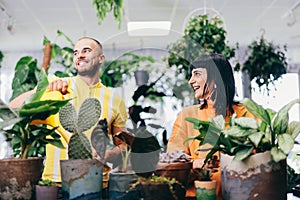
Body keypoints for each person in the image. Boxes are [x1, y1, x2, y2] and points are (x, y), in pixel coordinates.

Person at [9, 37, 128, 198]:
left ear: (101, 59)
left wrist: (107, 154)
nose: (79, 55)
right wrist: (43, 91)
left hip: (97, 183)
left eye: (86, 50)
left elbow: (123, 146)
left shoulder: (115, 99)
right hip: (55, 185)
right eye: (76, 52)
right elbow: (13, 109)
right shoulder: (57, 87)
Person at [167, 53, 255, 200]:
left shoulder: (246, 113)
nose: (190, 81)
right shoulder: (187, 116)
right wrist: (195, 164)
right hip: (196, 195)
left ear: (216, 77)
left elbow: (260, 157)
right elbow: (173, 164)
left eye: (197, 74)